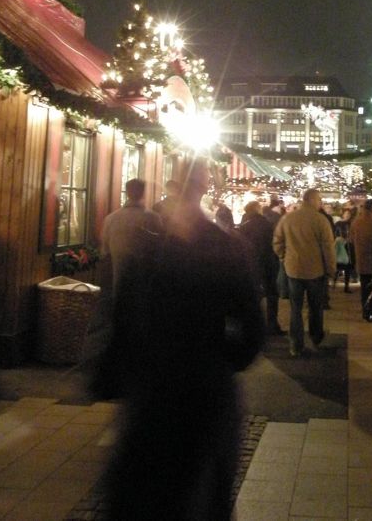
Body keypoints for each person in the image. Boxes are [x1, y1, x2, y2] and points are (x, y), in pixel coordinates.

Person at [97, 158, 265, 521]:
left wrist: (123, 368)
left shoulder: (148, 247)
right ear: (205, 188)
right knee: (203, 491)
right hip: (204, 389)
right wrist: (218, 359)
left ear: (175, 187)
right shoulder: (227, 247)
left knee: (144, 493)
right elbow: (252, 333)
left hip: (153, 388)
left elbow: (123, 319)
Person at [273, 188, 336, 357]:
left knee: (296, 308)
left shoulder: (288, 218)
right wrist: (331, 269)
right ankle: (316, 337)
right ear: (313, 200)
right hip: (316, 270)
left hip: (293, 269)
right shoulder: (320, 220)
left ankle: (296, 344)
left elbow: (277, 242)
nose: (321, 202)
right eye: (319, 199)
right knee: (315, 306)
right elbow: (328, 247)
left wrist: (284, 257)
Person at [101, 178, 163, 291]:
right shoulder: (153, 218)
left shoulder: (111, 218)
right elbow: (159, 248)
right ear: (144, 193)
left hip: (119, 278)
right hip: (146, 281)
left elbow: (105, 250)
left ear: (127, 193)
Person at [238, 200, 284, 335]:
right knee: (272, 294)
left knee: (253, 294)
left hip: (250, 264)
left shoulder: (243, 226)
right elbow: (274, 243)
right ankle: (272, 324)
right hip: (268, 262)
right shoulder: (267, 224)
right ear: (257, 209)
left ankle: (251, 324)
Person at [350, 198, 372, 317]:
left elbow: (351, 239)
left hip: (361, 258)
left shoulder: (357, 221)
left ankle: (365, 310)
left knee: (364, 286)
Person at [333, 207, 353, 292]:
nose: (347, 215)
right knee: (339, 265)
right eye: (346, 213)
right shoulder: (338, 224)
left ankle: (346, 286)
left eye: (349, 214)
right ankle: (334, 282)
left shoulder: (351, 224)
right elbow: (334, 234)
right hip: (340, 246)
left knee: (347, 267)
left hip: (348, 247)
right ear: (343, 214)